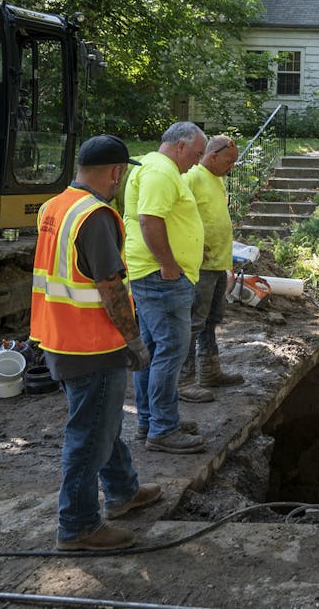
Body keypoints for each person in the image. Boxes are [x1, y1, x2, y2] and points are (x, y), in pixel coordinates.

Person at [30, 134, 159, 551]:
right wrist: (134, 340)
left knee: (103, 423)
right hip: (93, 346)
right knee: (88, 436)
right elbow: (110, 287)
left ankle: (122, 491)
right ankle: (79, 526)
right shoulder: (96, 216)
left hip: (58, 338)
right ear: (116, 172)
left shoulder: (55, 206)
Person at [123, 121, 207, 453]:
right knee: (171, 350)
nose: (197, 162)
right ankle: (163, 428)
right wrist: (169, 264)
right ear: (181, 146)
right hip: (162, 279)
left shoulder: (157, 167)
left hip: (154, 276)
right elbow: (150, 220)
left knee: (153, 352)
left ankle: (153, 420)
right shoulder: (160, 171)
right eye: (197, 154)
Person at [181, 135, 245, 392]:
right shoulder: (192, 178)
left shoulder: (217, 180)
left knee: (212, 318)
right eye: (228, 161)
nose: (231, 167)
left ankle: (209, 370)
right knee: (195, 320)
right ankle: (185, 379)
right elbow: (181, 217)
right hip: (201, 265)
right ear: (213, 156)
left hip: (218, 263)